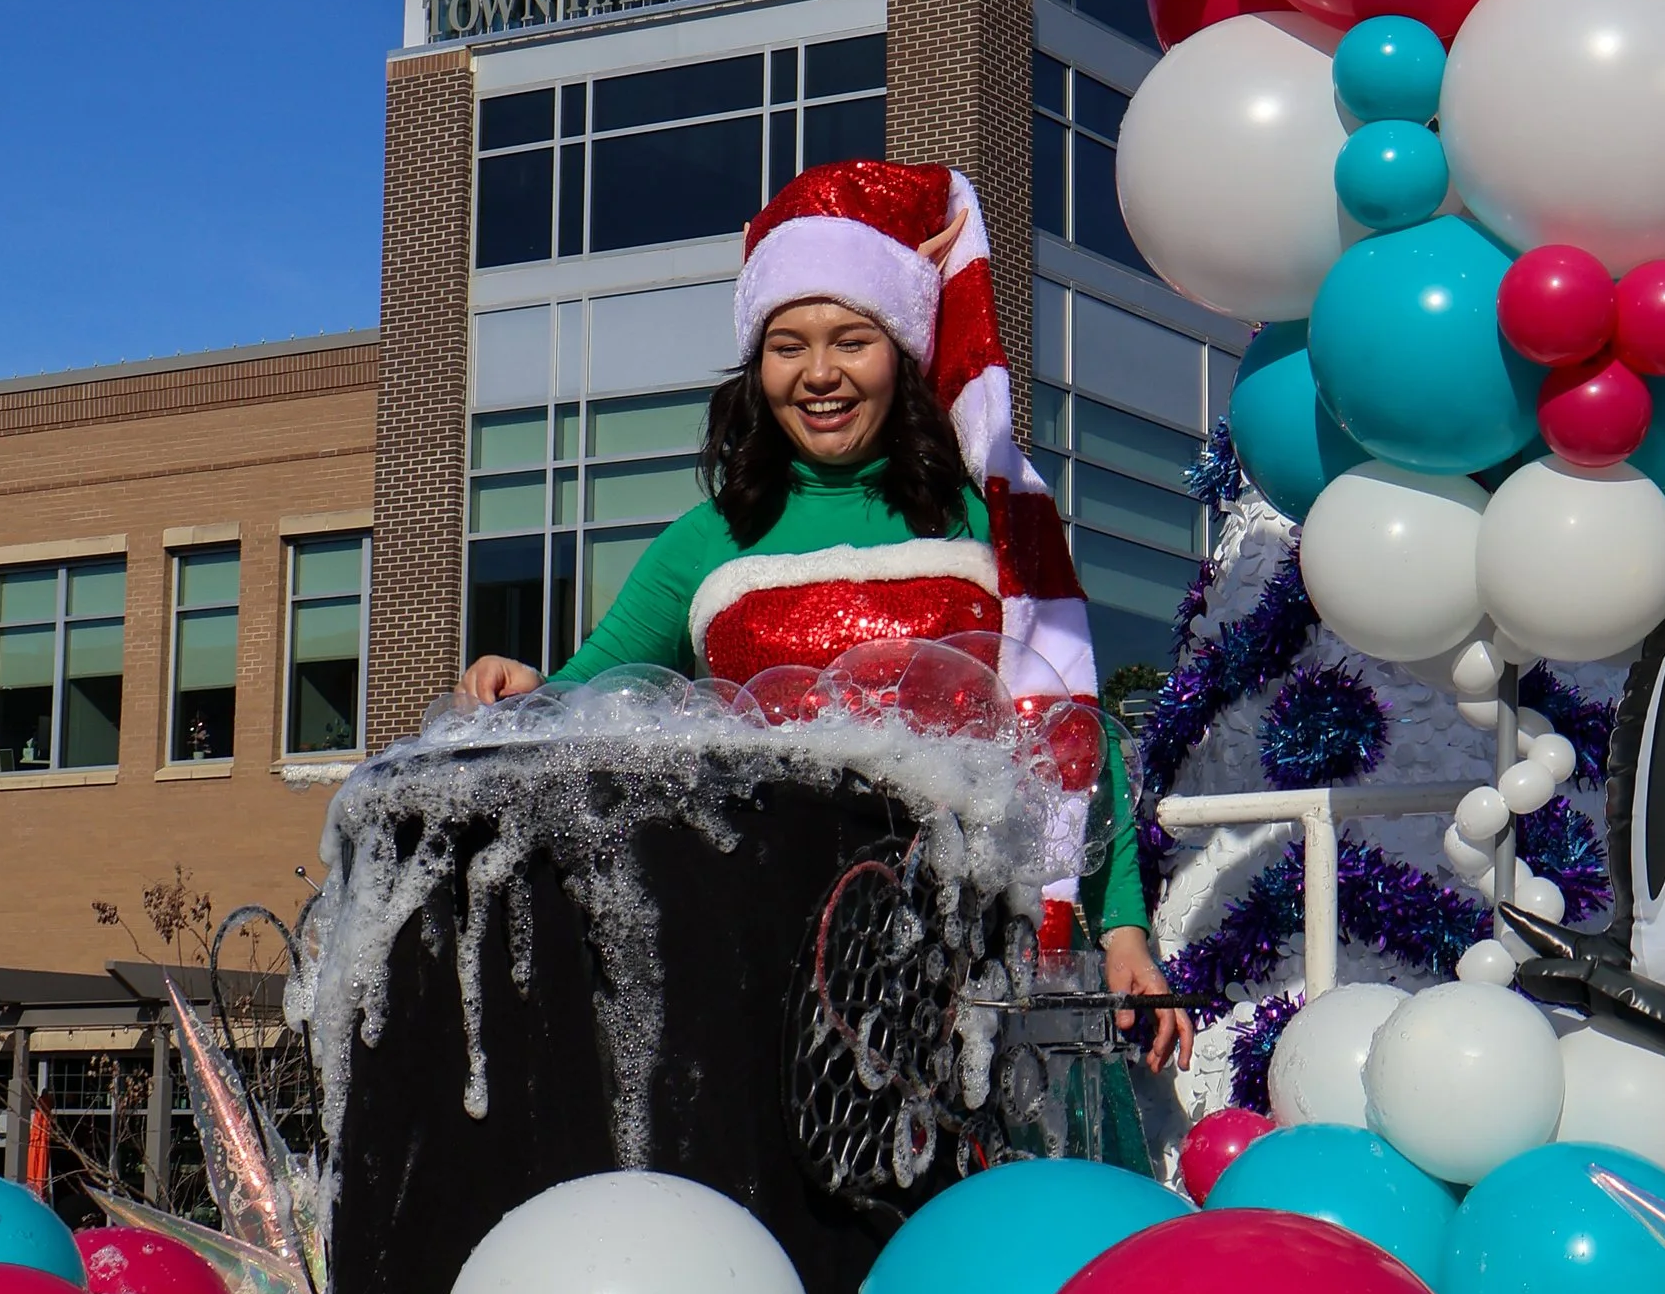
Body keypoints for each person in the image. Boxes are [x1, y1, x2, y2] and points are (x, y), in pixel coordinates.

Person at [460, 157, 1189, 1072]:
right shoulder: (706, 541)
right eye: (787, 344)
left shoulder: (988, 520)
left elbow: (1072, 732)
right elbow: (595, 692)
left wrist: (1122, 928)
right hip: (753, 967)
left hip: (961, 973)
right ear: (756, 364)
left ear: (902, 350)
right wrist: (525, 687)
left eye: (851, 339)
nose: (818, 374)